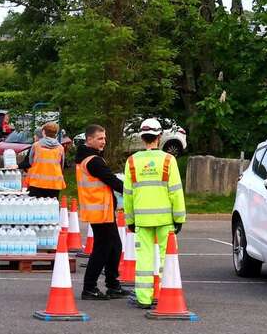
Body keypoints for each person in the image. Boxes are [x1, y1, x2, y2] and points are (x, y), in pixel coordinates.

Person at [124, 118, 186, 308]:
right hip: (165, 219)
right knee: (167, 258)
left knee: (144, 259)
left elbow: (128, 194)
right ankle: (164, 294)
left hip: (142, 219)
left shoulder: (132, 161)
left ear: (142, 138)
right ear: (159, 137)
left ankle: (144, 298)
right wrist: (179, 218)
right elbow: (176, 191)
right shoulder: (169, 160)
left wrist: (130, 220)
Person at [76, 125, 128, 300]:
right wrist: (134, 191)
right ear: (89, 139)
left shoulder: (89, 158)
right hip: (100, 211)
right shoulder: (93, 161)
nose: (103, 142)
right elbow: (112, 180)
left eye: (104, 138)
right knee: (102, 249)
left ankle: (113, 285)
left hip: (102, 210)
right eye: (100, 138)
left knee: (114, 247)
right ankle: (89, 288)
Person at [25, 122, 66, 198]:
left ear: (43, 132)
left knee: (36, 207)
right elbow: (61, 165)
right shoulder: (60, 148)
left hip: (37, 183)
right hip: (54, 184)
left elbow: (31, 162)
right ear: (56, 134)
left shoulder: (36, 146)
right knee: (52, 207)